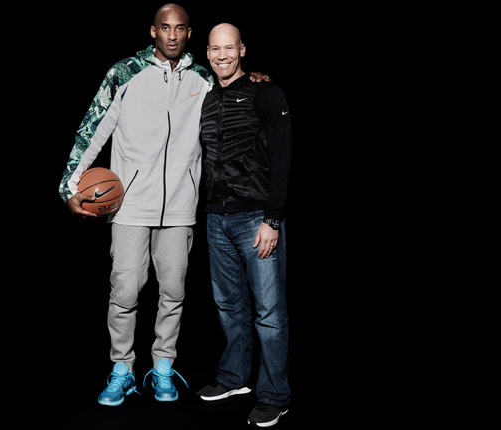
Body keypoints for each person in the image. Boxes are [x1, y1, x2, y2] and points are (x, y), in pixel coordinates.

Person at [59, 4, 268, 407]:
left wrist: (254, 80)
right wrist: (69, 185)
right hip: (130, 205)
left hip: (180, 206)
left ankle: (163, 366)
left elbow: (234, 88)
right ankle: (122, 369)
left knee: (173, 292)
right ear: (153, 31)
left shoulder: (203, 78)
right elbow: (92, 128)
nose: (172, 35)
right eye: (165, 27)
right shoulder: (125, 73)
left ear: (189, 33)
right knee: (125, 290)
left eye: (180, 28)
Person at [196, 23, 292, 427]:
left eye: (229, 48)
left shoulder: (265, 93)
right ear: (207, 52)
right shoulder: (204, 97)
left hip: (256, 219)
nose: (222, 56)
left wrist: (272, 218)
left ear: (242, 50)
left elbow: (283, 157)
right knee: (228, 306)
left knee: (269, 312)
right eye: (215, 49)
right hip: (216, 218)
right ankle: (234, 377)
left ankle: (274, 395)